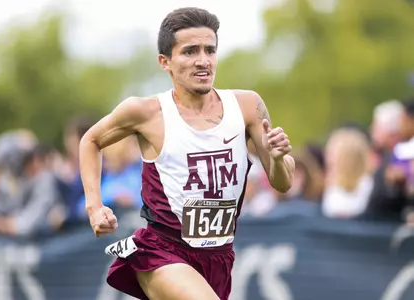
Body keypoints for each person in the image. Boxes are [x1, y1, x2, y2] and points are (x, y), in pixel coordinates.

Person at [79, 7, 295, 300]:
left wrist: (279, 158)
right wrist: (95, 207)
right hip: (163, 250)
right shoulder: (145, 112)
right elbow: (90, 140)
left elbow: (282, 183)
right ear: (165, 62)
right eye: (190, 52)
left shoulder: (247, 106)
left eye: (210, 50)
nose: (203, 61)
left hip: (219, 255)